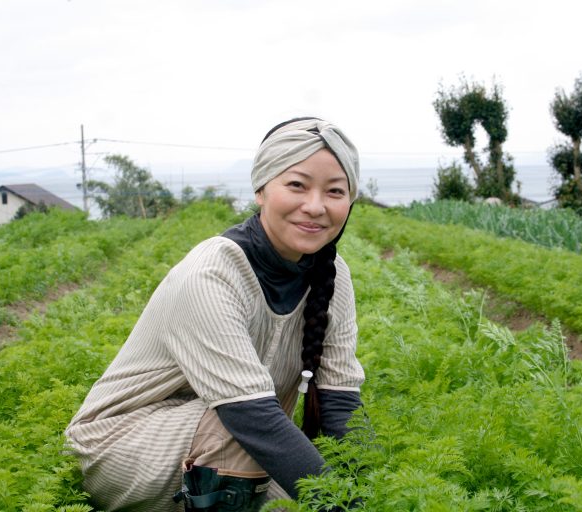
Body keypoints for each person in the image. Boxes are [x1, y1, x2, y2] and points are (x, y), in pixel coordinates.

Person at [65, 117, 366, 511]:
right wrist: (343, 504)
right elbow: (251, 417)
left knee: (296, 501)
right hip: (119, 446)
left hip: (226, 440)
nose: (315, 206)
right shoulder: (214, 272)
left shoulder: (333, 274)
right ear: (261, 189)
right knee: (248, 438)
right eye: (296, 185)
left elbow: (340, 404)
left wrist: (368, 491)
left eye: (334, 191)